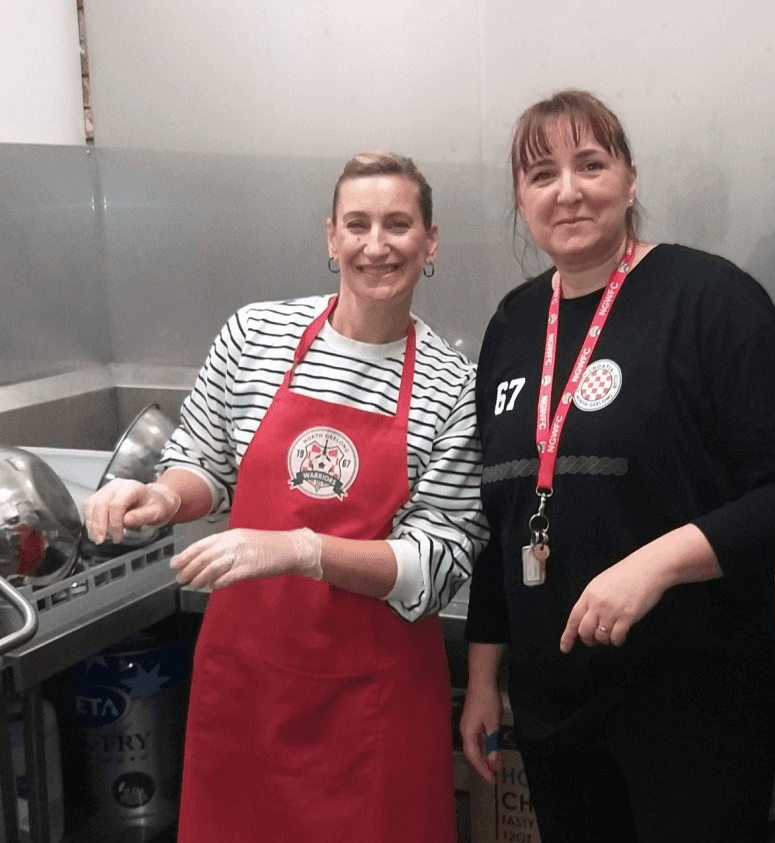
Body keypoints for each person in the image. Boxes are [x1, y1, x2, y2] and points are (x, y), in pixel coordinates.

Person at [459, 90, 775, 843]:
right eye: (541, 174)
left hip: (693, 699)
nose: (567, 190)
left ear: (630, 182)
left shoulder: (711, 300)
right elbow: (501, 520)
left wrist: (656, 564)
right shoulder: (512, 323)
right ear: (521, 200)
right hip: (554, 701)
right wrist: (481, 682)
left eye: (590, 164)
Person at [85, 152, 488, 843]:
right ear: (330, 237)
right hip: (249, 687)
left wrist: (302, 550)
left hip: (375, 702)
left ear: (431, 241)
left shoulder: (456, 387)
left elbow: (436, 565)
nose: (376, 243)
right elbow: (202, 464)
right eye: (356, 224)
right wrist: (159, 496)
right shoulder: (254, 336)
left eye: (398, 223)